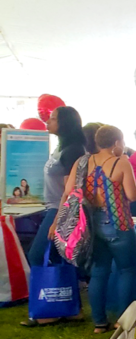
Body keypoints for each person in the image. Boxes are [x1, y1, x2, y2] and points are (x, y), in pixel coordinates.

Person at [55, 126, 136, 333]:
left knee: (99, 272)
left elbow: (68, 191)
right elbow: (132, 195)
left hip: (90, 225)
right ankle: (123, 320)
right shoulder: (121, 162)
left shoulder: (82, 161)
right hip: (118, 223)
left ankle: (99, 323)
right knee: (126, 271)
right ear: (117, 143)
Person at [26, 106, 87, 270]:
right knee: (51, 255)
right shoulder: (60, 147)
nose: (48, 121)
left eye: (53, 118)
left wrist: (57, 221)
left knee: (36, 255)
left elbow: (70, 191)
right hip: (51, 207)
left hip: (59, 210)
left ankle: (45, 291)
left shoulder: (73, 150)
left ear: (64, 123)